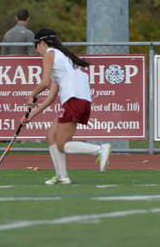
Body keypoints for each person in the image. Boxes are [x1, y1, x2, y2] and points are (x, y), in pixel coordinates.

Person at [22, 28, 111, 185]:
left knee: (62, 145)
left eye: (36, 46)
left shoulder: (50, 53)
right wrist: (31, 115)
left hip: (74, 99)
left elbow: (44, 83)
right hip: (79, 99)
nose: (36, 51)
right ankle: (62, 176)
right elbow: (51, 97)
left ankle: (100, 149)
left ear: (41, 43)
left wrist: (31, 94)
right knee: (51, 136)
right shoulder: (62, 58)